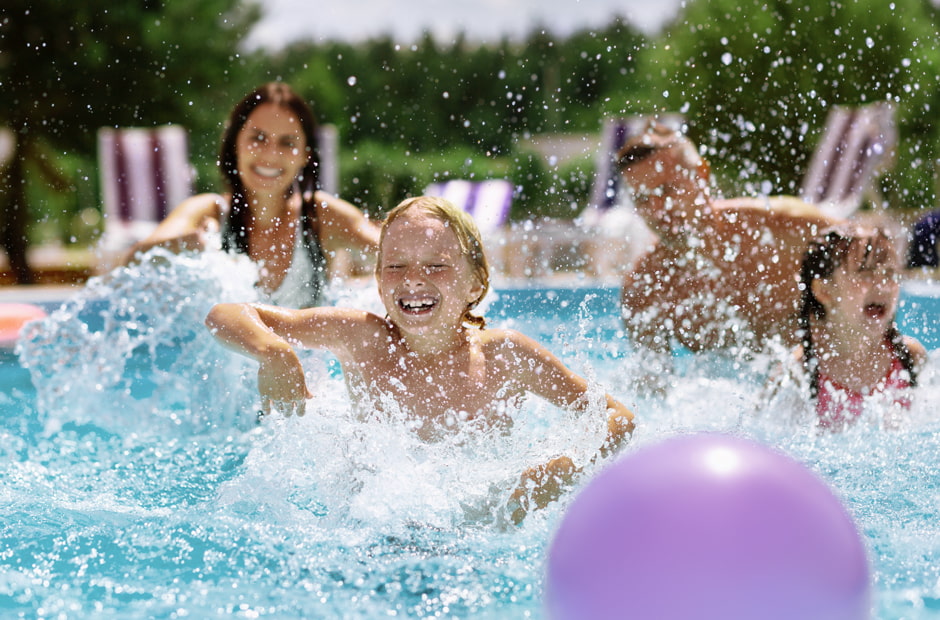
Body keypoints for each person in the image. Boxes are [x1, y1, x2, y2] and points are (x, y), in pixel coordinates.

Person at [205, 195, 636, 523]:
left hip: (478, 533)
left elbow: (617, 417)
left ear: (475, 282)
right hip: (372, 530)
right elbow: (227, 313)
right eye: (395, 266)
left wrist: (548, 478)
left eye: (436, 265)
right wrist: (273, 352)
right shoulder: (362, 339)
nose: (413, 279)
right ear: (377, 280)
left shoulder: (506, 356)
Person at [128, 82, 380, 308]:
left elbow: (398, 251)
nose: (270, 155)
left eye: (287, 143)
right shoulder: (207, 212)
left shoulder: (321, 216)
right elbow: (132, 262)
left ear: (306, 154)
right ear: (235, 143)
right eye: (258, 138)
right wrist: (188, 243)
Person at [617, 122, 840, 359]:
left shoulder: (783, 228)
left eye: (667, 190)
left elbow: (874, 252)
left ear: (701, 174)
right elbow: (651, 391)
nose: (657, 209)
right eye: (642, 199)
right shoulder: (645, 290)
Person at [791, 224, 926, 431]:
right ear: (824, 290)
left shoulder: (910, 357)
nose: (882, 285)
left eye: (890, 273)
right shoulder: (803, 369)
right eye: (866, 273)